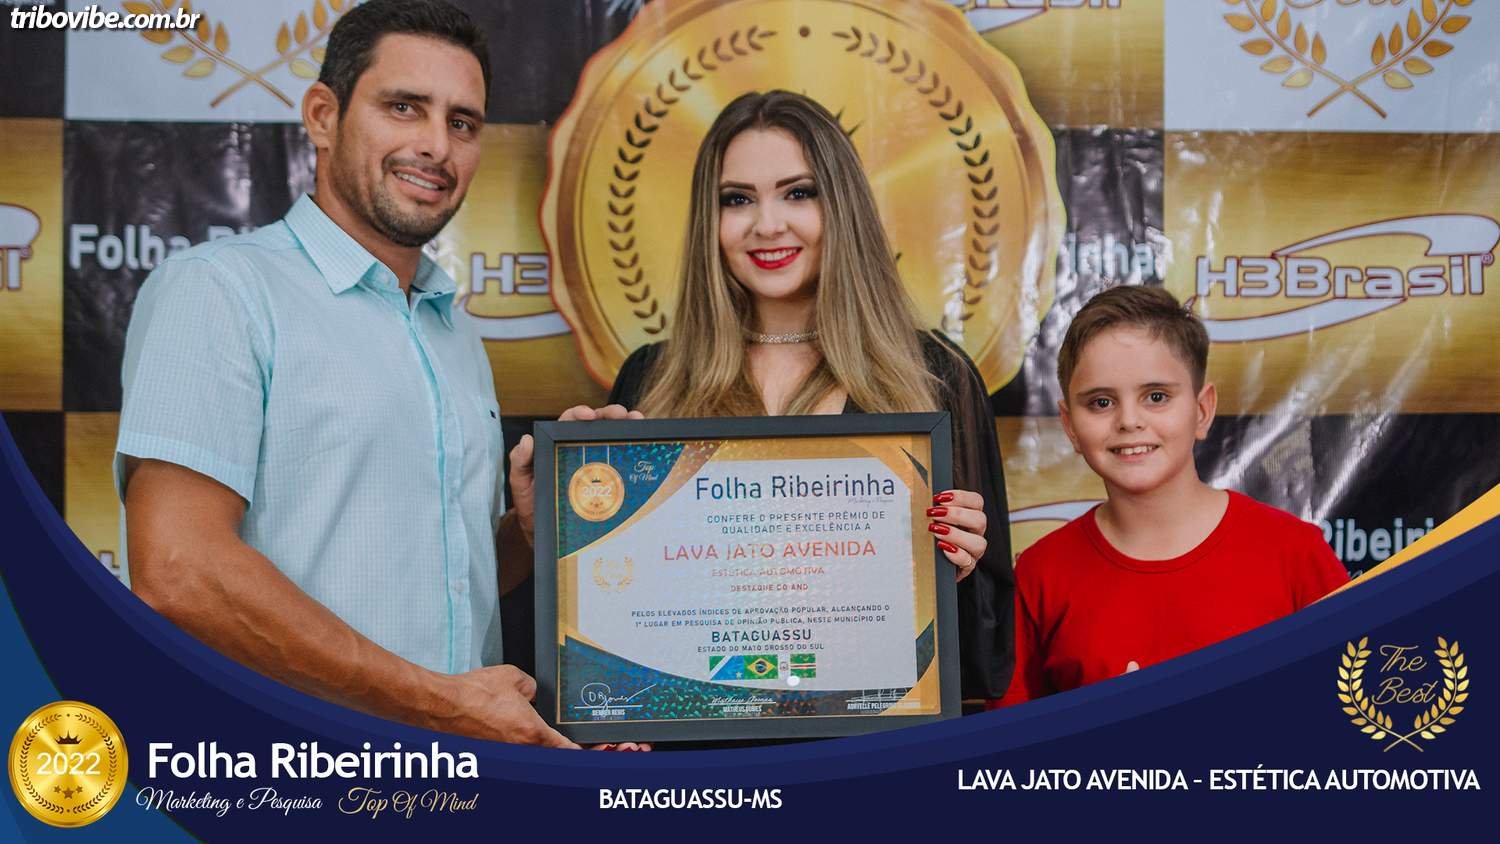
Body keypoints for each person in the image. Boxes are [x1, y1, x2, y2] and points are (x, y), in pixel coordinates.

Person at [115, 0, 632, 749]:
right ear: (323, 116)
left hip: (460, 781)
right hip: (296, 777)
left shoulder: (451, 328)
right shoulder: (221, 290)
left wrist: (526, 532)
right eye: (403, 107)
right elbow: (178, 571)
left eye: (462, 122)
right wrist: (439, 706)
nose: (436, 146)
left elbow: (442, 584)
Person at [591, 90, 1015, 703]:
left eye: (798, 193)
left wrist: (956, 576)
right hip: (700, 747)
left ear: (841, 205)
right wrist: (573, 504)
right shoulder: (649, 379)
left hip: (870, 747)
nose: (767, 224)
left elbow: (986, 659)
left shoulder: (936, 375)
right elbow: (616, 614)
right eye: (737, 199)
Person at [994, 285, 1349, 706]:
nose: (1129, 421)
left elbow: (1357, 715)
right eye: (1101, 402)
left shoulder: (1294, 554)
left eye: (1156, 397)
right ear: (1070, 426)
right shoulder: (1040, 574)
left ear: (1202, 410)